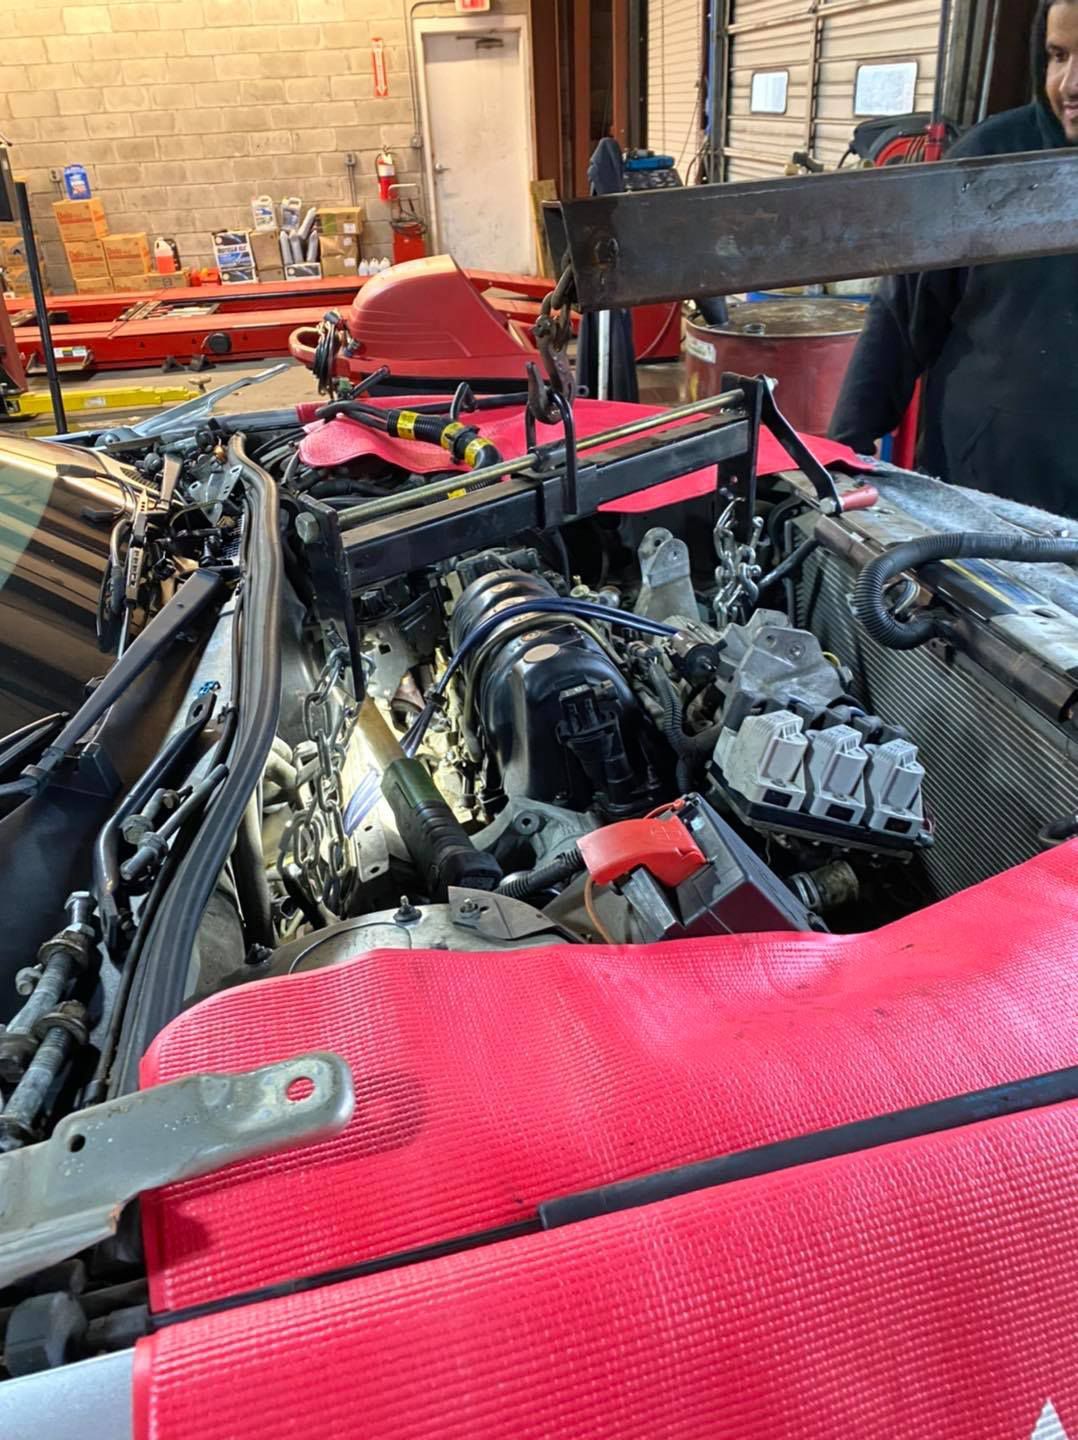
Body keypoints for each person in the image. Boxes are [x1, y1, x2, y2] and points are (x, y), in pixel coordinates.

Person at [829, 0, 1078, 515]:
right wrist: (847, 448)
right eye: (1058, 56)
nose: (1070, 84)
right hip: (980, 492)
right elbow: (901, 316)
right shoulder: (992, 159)